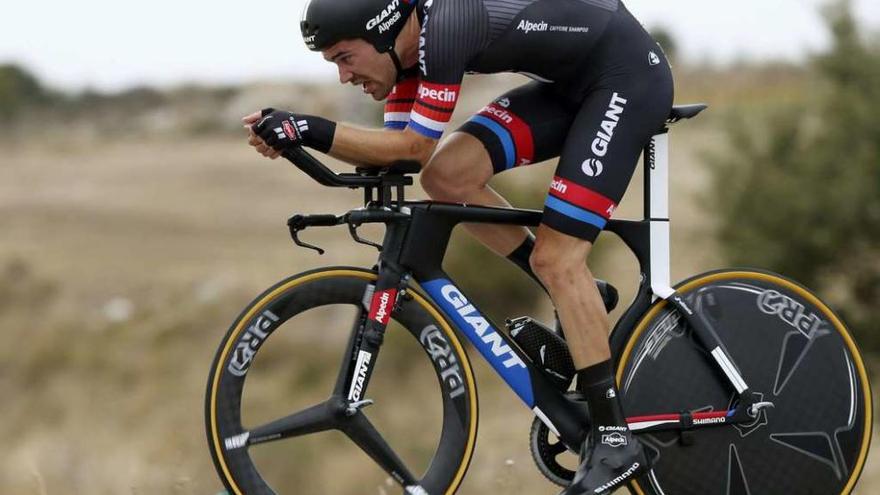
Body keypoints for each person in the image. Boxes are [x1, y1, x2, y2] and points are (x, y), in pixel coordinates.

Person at [245, 0, 673, 492]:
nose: (344, 76)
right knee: (446, 177)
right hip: (571, 87)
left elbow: (411, 147)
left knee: (559, 257)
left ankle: (616, 439)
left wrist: (309, 128)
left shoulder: (446, 27)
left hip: (626, 79)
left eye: (345, 57)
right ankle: (582, 297)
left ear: (381, 30)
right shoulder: (405, 55)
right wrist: (296, 140)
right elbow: (398, 158)